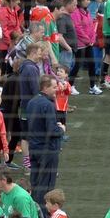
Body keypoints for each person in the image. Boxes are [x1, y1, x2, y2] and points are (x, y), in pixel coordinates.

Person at [25, 75, 65, 204]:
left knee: (35, 182)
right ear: (45, 88)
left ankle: (33, 209)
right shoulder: (48, 105)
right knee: (46, 186)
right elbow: (51, 131)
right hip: (47, 151)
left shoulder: (31, 102)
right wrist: (61, 129)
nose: (56, 90)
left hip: (34, 148)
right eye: (54, 87)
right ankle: (43, 212)